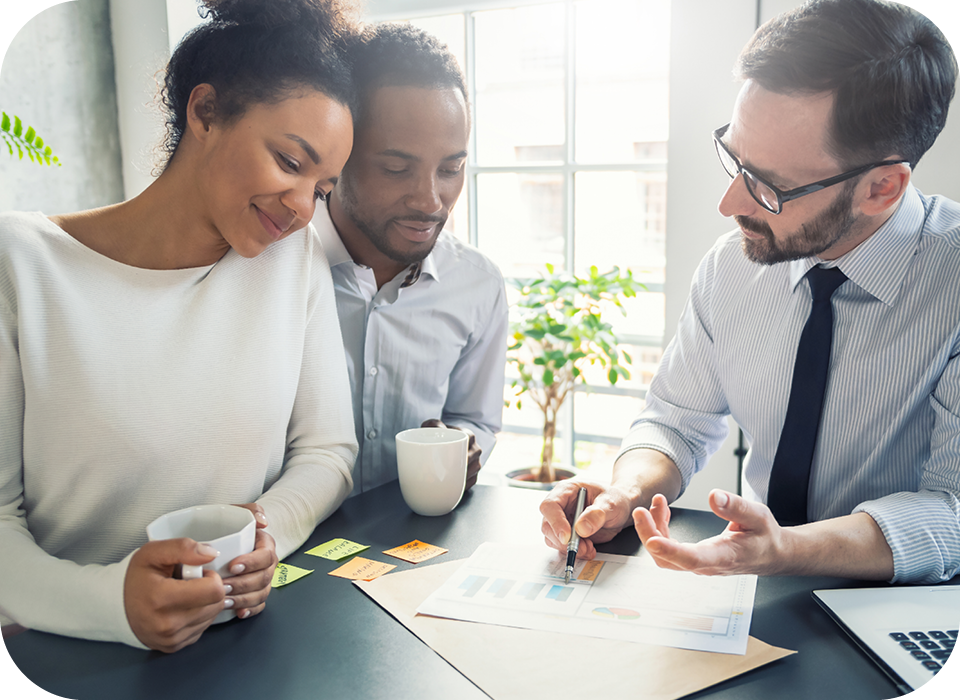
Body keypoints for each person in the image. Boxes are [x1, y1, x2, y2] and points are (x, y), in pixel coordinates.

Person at [541, 0, 960, 585]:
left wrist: (784, 549)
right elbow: (675, 422)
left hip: (905, 611)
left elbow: (953, 511)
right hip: (755, 594)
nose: (730, 204)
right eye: (735, 159)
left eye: (770, 186)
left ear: (882, 187)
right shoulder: (732, 267)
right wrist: (625, 489)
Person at [0, 0, 359, 652]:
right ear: (204, 113)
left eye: (324, 188)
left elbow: (328, 453)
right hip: (61, 653)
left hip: (241, 648)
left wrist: (264, 530)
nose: (304, 208)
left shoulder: (290, 261)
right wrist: (114, 603)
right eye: (288, 160)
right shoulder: (19, 265)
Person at [312, 23, 508, 495]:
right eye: (397, 169)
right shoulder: (273, 268)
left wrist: (462, 446)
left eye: (451, 169)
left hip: (413, 545)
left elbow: (474, 418)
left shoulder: (478, 285)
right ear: (339, 152)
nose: (430, 201)